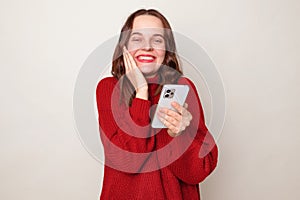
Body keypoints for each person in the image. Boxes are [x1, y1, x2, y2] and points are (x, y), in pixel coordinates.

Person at [96, 9, 218, 200]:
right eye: (137, 39)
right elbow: (126, 161)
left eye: (157, 40)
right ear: (124, 47)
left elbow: (198, 171)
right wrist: (142, 93)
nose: (147, 47)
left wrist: (179, 134)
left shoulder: (182, 88)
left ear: (166, 49)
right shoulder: (109, 89)